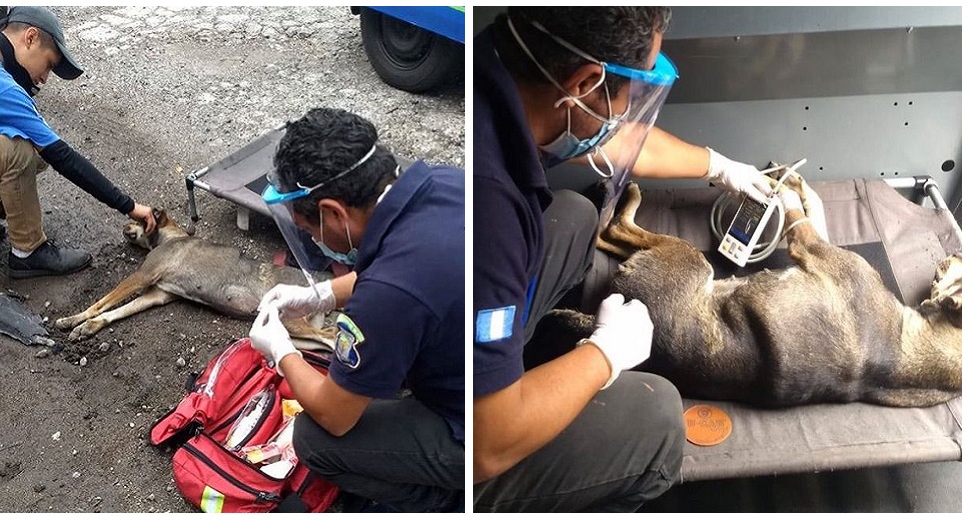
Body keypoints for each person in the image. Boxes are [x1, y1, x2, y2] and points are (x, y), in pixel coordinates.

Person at [473, 7, 774, 512]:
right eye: (629, 94)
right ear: (585, 82)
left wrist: (718, 166)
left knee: (571, 214)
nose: (627, 110)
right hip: (472, 429)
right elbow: (490, 443)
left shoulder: (503, 69)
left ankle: (508, 361)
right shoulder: (490, 212)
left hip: (471, 296)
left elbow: (620, 143)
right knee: (653, 416)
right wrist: (604, 353)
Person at [248, 108, 465, 512]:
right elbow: (403, 272)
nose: (313, 238)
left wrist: (281, 351)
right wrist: (322, 295)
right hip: (494, 359)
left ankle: (447, 499)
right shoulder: (446, 183)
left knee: (314, 439)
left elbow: (335, 416)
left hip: (476, 428)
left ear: (333, 212)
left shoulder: (387, 295)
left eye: (311, 229)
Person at [0, 6, 155, 278]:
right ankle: (29, 253)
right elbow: (62, 156)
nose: (45, 79)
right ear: (30, 38)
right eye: (49, 64)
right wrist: (129, 206)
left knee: (26, 146)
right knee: (18, 149)